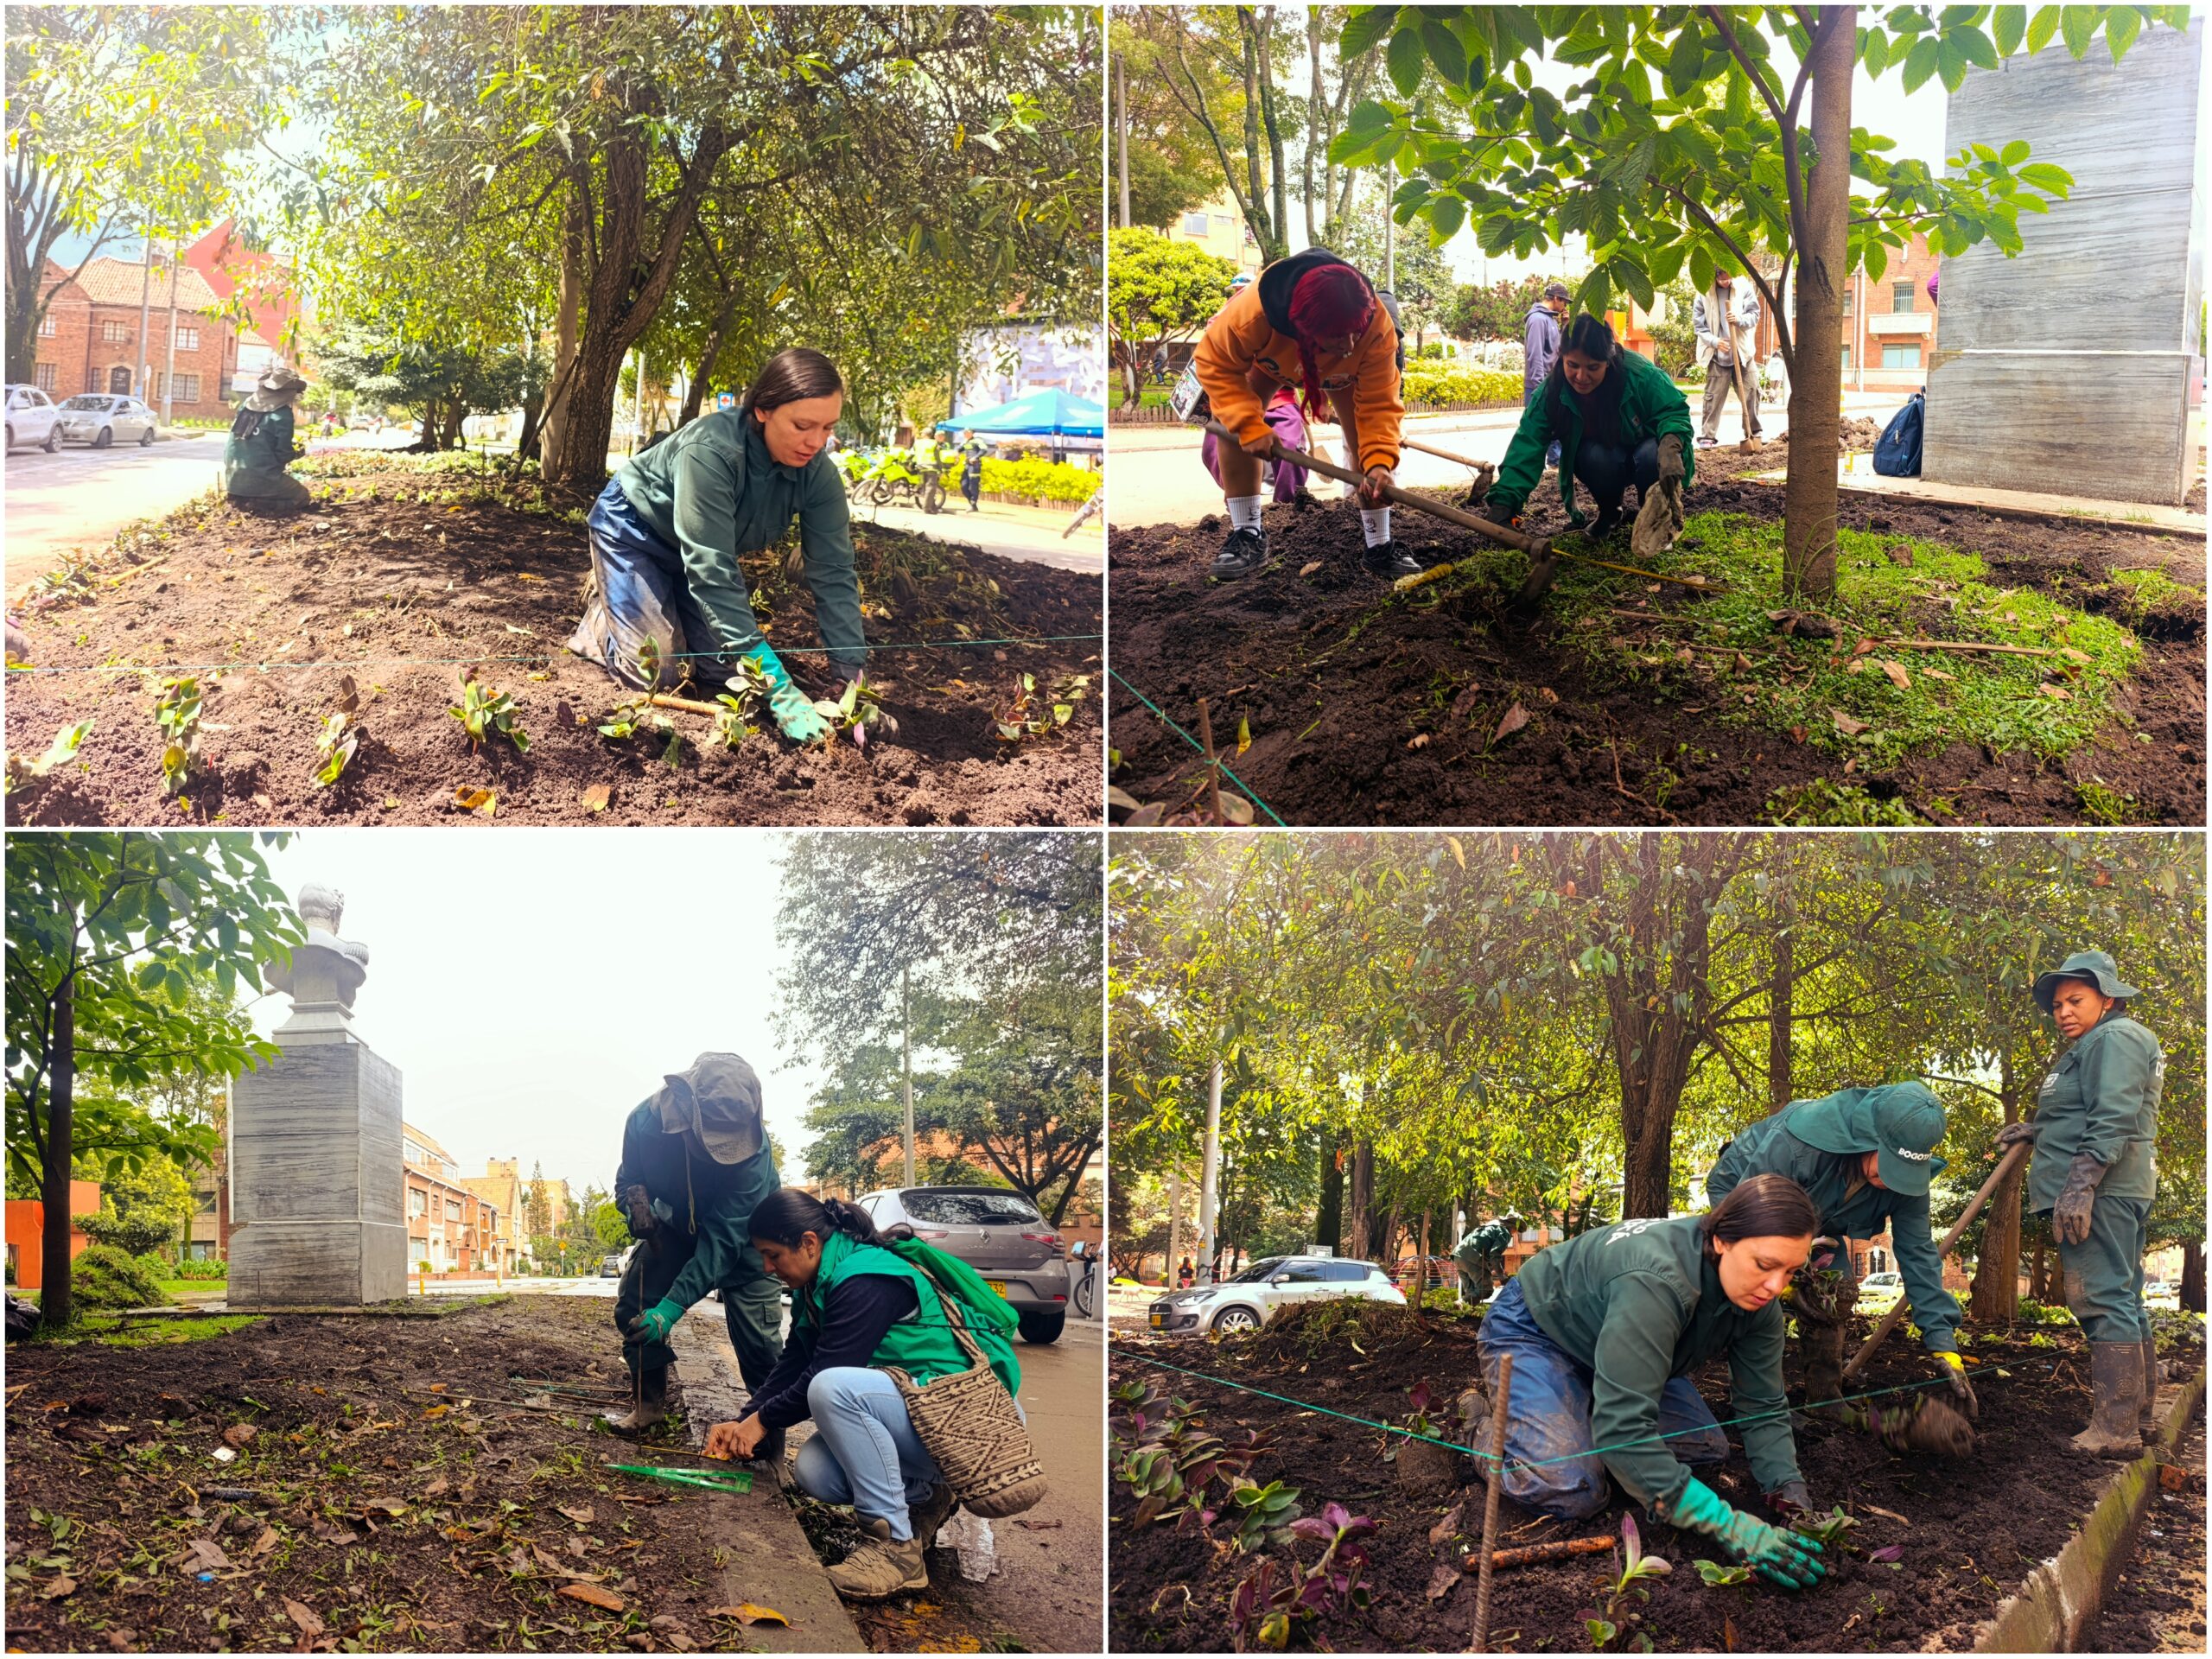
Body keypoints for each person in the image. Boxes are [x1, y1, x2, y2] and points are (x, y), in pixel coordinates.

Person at [1474, 1173, 1827, 1589]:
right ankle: (1485, 1425)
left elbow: (1763, 1404)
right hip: (1538, 1329)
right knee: (1571, 1488)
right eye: (1765, 1265)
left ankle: (1579, 1409)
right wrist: (1726, 1525)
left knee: (1705, 1448)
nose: (1776, 1286)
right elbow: (1623, 1428)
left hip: (1617, 1346)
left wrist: (1789, 1494)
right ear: (1721, 1241)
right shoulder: (1659, 1282)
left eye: (1790, 1271)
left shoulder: (1759, 1305)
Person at [703, 1189, 1024, 1599]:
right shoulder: (819, 1282)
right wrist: (744, 1418)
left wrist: (761, 1423)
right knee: (815, 1471)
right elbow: (794, 1360)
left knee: (832, 1387)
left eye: (772, 1255)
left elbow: (823, 1372)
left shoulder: (866, 1278)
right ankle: (925, 1497)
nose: (767, 1267)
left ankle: (896, 1552)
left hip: (969, 1422)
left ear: (808, 1242)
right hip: (922, 1416)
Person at [566, 346, 867, 742]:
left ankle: (655, 605)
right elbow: (713, 576)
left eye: (828, 428)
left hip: (696, 552)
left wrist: (849, 677)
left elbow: (834, 573)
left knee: (729, 678)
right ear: (763, 409)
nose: (816, 442)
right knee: (656, 673)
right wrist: (780, 689)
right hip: (635, 532)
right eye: (802, 425)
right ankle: (603, 621)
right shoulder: (711, 452)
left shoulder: (818, 476)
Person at [1707, 1083, 1974, 1420]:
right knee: (1758, 1287)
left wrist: (1944, 1345)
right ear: (1868, 1138)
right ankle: (1755, 1407)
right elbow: (1749, 1219)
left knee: (1835, 1290)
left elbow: (1919, 1254)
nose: (1892, 1181)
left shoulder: (1906, 1179)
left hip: (1819, 1218)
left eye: (1903, 1173)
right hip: (1746, 1194)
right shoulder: (1800, 1143)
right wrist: (1785, 1284)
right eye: (1888, 1165)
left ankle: (1823, 1399)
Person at [1998, 950, 2166, 1456]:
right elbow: (2089, 1107)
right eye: (2056, 1005)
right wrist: (2040, 1129)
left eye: (2075, 1000)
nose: (2063, 1012)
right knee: (2125, 1297)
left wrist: (2081, 1183)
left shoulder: (2114, 1038)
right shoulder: (2100, 1042)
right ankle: (2137, 1419)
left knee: (2101, 1299)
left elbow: (2114, 1113)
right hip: (2116, 1187)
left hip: (2103, 1190)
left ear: (2107, 998)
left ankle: (2115, 1431)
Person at [1190, 247, 1421, 581]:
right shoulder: (1252, 312)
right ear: (1301, 326)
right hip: (1270, 360)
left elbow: (1378, 405)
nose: (1350, 345)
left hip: (1345, 376)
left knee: (1365, 449)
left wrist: (1380, 461)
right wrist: (1248, 423)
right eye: (1338, 337)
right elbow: (1215, 363)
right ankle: (1248, 534)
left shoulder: (1375, 330)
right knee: (1229, 425)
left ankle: (1380, 545)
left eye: (1355, 333)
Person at [605, 1053, 786, 1453]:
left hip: (748, 1242)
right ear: (686, 1109)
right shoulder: (643, 1123)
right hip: (672, 1230)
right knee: (634, 1306)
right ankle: (648, 1407)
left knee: (761, 1344)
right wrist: (635, 1207)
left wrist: (670, 1311)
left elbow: (722, 1241)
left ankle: (769, 1448)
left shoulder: (754, 1157)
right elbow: (629, 1177)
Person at [1479, 314, 1696, 540]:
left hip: (1647, 455)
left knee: (1653, 454)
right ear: (1562, 357)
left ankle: (1655, 518)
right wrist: (1503, 505)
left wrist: (1671, 446)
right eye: (1572, 365)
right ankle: (1610, 513)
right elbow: (1527, 444)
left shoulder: (1641, 375)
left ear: (1609, 360)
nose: (1581, 376)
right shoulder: (1551, 392)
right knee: (1591, 455)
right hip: (1607, 459)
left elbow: (1673, 411)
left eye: (1593, 367)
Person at [1203, 384, 1309, 505]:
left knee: (1291, 446)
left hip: (1279, 400)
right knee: (1217, 447)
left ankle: (1286, 506)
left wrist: (1321, 402)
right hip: (1233, 399)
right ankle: (1241, 507)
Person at [223, 365, 312, 510]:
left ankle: (244, 500)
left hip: (233, 480)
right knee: (302, 496)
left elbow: (248, 439)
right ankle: (262, 505)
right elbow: (283, 454)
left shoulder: (246, 406)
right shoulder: (282, 415)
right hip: (262, 478)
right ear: (287, 394)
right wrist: (297, 453)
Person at [1693, 270, 1764, 448]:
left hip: (1743, 353)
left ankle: (1753, 432)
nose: (1725, 282)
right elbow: (1699, 327)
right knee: (1713, 397)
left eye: (1728, 278)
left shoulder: (1743, 286)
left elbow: (1754, 314)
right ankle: (1708, 436)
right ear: (1715, 276)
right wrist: (1715, 342)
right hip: (1718, 356)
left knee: (1752, 391)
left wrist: (1740, 319)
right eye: (1722, 279)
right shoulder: (1703, 291)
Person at [1524, 281, 1570, 470]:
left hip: (1551, 381)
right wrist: (1538, 387)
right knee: (1538, 425)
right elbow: (1535, 355)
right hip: (1540, 384)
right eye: (1565, 301)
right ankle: (1533, 467)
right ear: (1556, 298)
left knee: (1555, 424)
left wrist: (1565, 324)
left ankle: (1554, 464)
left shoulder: (1551, 319)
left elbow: (1556, 350)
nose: (1565, 306)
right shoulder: (1537, 319)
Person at [1452, 1216, 1513, 1306]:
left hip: (1457, 1256)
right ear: (1513, 1227)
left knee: (1471, 1292)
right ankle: (1458, 1305)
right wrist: (1502, 1277)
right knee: (1486, 1289)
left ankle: (1462, 1315)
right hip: (1472, 1257)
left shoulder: (1488, 1227)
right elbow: (1494, 1256)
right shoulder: (1504, 1232)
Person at [958, 429, 986, 512]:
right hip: (967, 466)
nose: (965, 434)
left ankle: (973, 505)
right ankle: (972, 504)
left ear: (972, 433)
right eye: (964, 433)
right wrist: (956, 452)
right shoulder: (966, 442)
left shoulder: (977, 440)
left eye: (967, 432)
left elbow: (984, 450)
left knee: (973, 486)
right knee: (964, 486)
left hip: (975, 466)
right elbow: (960, 449)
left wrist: (976, 457)